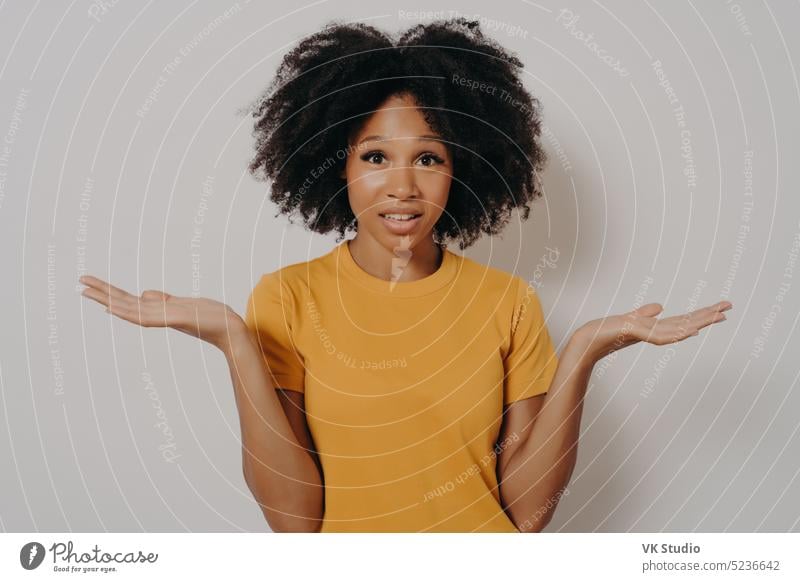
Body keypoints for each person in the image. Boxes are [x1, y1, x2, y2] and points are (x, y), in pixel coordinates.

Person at [79, 19, 733, 533]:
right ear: (336, 163)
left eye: (427, 157)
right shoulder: (286, 299)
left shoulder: (507, 301)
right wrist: (232, 338)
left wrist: (586, 350)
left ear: (462, 168)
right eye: (374, 156)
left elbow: (527, 514)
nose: (402, 187)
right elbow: (294, 521)